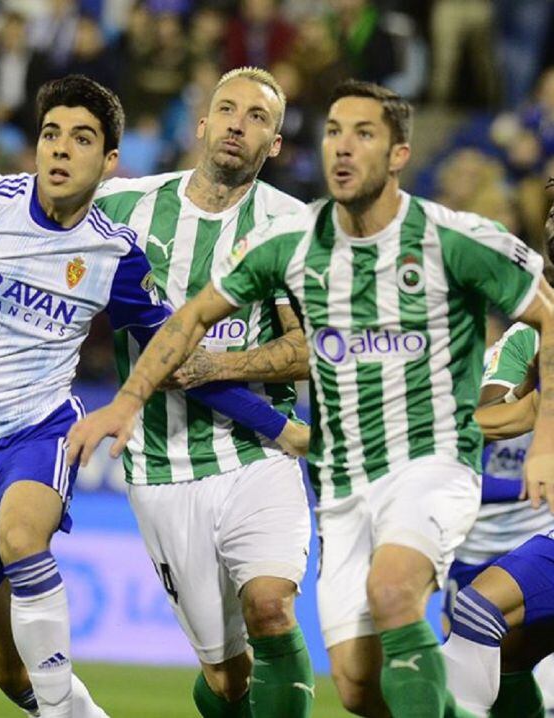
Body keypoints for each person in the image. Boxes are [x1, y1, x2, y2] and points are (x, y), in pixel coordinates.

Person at [0, 74, 308, 717]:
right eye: (50, 136)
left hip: (40, 428)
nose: (62, 150)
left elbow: (176, 354)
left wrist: (278, 427)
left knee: (24, 536)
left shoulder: (118, 247)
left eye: (82, 139)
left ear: (108, 161)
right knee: (8, 666)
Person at [67, 79, 554, 718]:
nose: (344, 150)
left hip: (337, 461)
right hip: (252, 473)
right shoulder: (239, 230)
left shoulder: (422, 237)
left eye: (365, 136)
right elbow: (178, 314)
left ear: (399, 155)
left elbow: (542, 321)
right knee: (323, 684)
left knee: (357, 597)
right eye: (335, 133)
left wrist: (536, 442)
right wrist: (128, 397)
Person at [442, 194, 554, 717]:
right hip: (480, 548)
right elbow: (506, 413)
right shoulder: (529, 337)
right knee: (504, 652)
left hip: (529, 532)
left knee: (480, 612)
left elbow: (521, 415)